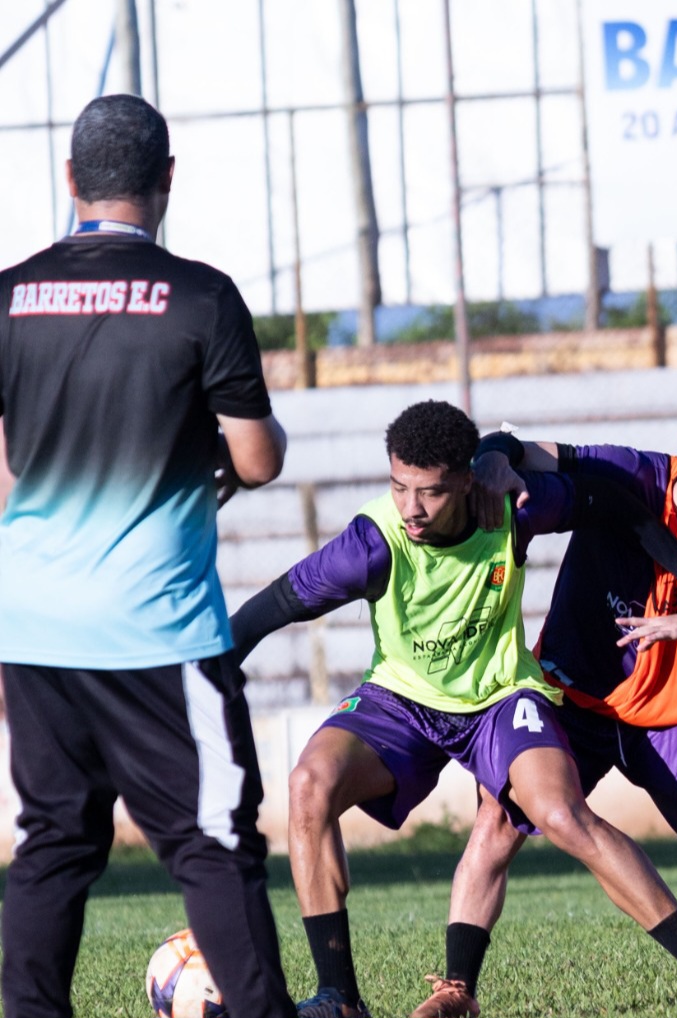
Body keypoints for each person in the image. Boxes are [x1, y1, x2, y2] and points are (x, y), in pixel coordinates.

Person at [228, 398, 677, 1018]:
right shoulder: (371, 544)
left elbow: (614, 505)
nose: (412, 508)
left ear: (466, 481)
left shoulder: (511, 508)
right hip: (400, 699)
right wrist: (210, 671)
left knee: (560, 811)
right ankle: (339, 997)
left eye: (429, 492)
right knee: (309, 784)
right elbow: (275, 605)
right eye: (399, 487)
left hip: (502, 697)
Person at [0, 94, 312, 1018]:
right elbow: (255, 457)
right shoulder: (201, 296)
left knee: (54, 840)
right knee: (214, 844)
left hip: (35, 624)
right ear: (167, 180)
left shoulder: (10, 297)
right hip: (155, 628)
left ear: (70, 182)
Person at [439, 393, 677, 1009]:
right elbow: (528, 449)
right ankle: (457, 988)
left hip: (673, 709)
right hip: (572, 694)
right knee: (496, 821)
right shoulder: (635, 473)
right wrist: (491, 455)